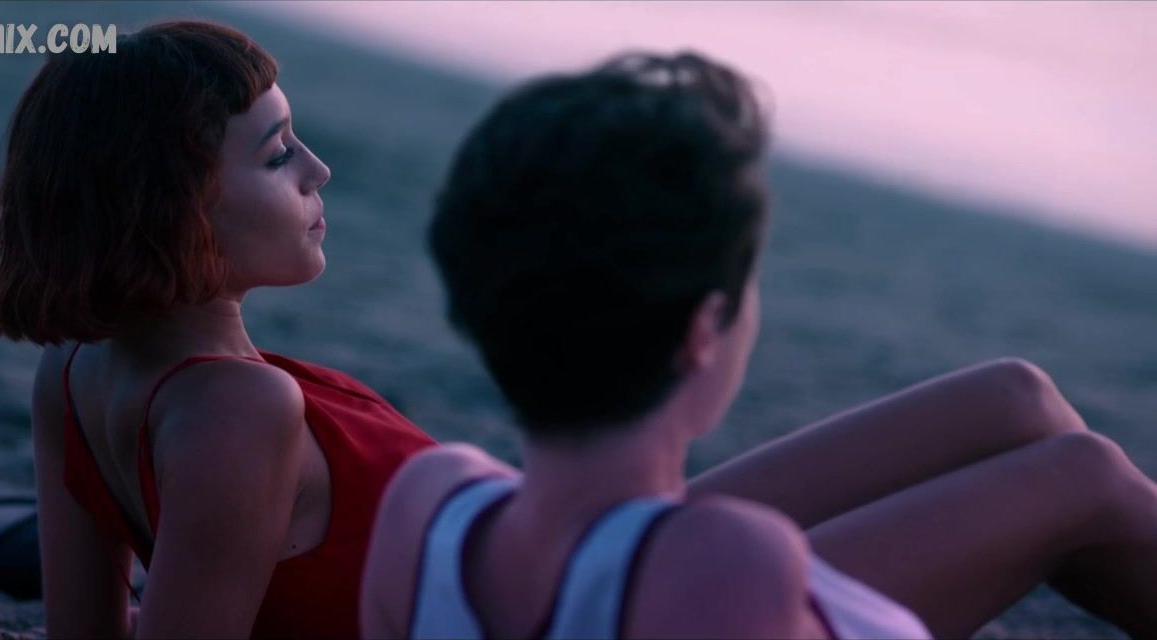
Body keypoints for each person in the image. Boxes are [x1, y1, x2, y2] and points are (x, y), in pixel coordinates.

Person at [360, 51, 1157, 639]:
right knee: (1084, 473)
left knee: (1014, 399)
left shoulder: (429, 508)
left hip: (589, 547)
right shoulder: (733, 564)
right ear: (704, 331)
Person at [0, 21, 434, 639]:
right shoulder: (241, 408)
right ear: (176, 209)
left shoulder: (69, 369)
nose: (319, 169)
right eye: (278, 155)